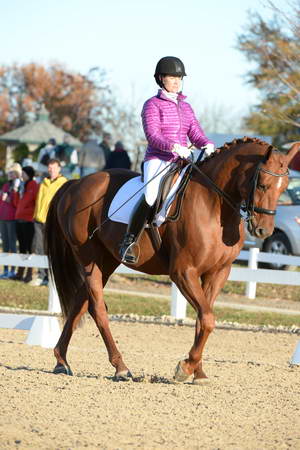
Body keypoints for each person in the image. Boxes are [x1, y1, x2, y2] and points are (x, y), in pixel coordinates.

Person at [119, 56, 215, 264]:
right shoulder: (152, 105)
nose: (176, 81)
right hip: (158, 159)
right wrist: (173, 146)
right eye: (172, 77)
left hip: (181, 161)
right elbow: (152, 135)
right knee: (152, 196)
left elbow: (195, 132)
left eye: (179, 77)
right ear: (161, 78)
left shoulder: (186, 107)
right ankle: (129, 241)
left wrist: (206, 144)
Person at [30, 159, 67, 286]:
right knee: (39, 249)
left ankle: (52, 277)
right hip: (39, 220)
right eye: (49, 167)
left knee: (51, 250)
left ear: (59, 169)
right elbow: (39, 201)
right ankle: (41, 276)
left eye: (54, 167)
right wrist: (35, 216)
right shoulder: (44, 182)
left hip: (52, 222)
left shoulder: (64, 183)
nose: (51, 169)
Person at [11, 166, 39, 282]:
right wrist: (16, 191)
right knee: (22, 247)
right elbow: (16, 203)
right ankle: (20, 272)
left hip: (28, 220)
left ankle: (29, 273)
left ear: (29, 174)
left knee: (29, 248)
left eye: (23, 173)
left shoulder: (34, 185)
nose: (21, 176)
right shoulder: (21, 186)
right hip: (19, 219)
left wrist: (27, 211)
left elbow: (33, 201)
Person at [0, 163, 22, 278]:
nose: (10, 174)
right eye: (9, 172)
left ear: (17, 173)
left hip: (12, 218)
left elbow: (18, 203)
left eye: (12, 172)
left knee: (12, 244)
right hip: (2, 218)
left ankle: (13, 269)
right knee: (5, 244)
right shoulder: (5, 185)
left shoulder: (19, 185)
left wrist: (9, 199)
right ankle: (5, 269)